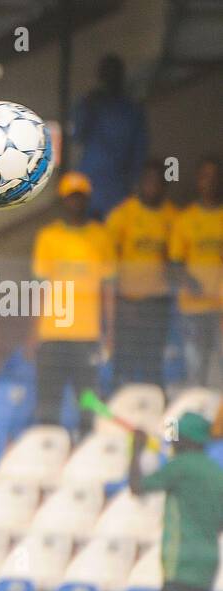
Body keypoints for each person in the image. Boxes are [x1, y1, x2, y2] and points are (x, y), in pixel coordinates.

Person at [130, 413, 223, 591]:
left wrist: (136, 448)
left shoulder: (181, 466)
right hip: (207, 565)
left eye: (176, 437)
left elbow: (137, 486)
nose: (172, 442)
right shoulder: (216, 472)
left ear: (188, 440)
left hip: (181, 564)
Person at [30, 171, 116, 436]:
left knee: (88, 404)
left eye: (80, 198)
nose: (75, 203)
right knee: (48, 404)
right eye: (70, 198)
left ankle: (86, 454)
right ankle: (47, 457)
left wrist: (109, 332)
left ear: (87, 200)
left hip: (86, 336)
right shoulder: (48, 237)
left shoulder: (101, 237)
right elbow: (40, 287)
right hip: (52, 334)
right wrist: (34, 331)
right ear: (62, 201)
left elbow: (108, 288)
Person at [105, 159, 177, 390]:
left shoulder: (173, 217)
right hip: (127, 303)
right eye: (148, 181)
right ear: (140, 183)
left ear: (165, 186)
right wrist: (118, 301)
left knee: (152, 365)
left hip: (157, 304)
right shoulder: (122, 215)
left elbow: (175, 262)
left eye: (158, 182)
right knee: (123, 364)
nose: (152, 186)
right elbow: (109, 265)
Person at [168, 156, 223, 388]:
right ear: (198, 181)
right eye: (204, 176)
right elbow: (174, 263)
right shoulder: (185, 220)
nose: (209, 182)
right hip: (193, 309)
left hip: (221, 309)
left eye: (214, 177)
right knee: (195, 370)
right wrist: (190, 282)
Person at [72, 54, 148, 218]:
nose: (110, 80)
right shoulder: (88, 103)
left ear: (121, 77)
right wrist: (88, 107)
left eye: (114, 74)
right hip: (88, 184)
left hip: (118, 188)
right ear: (100, 77)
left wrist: (135, 185)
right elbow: (77, 135)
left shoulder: (132, 110)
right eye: (106, 75)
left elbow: (140, 153)